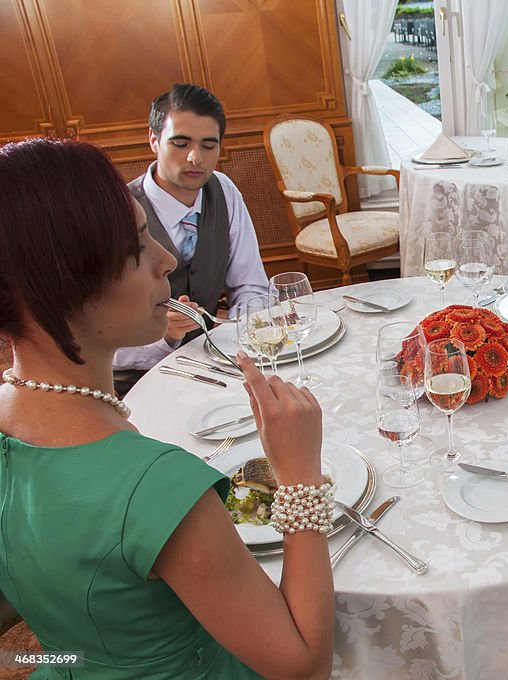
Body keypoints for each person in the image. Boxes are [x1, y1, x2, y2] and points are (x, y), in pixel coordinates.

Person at [0, 138, 333, 679]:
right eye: (137, 246)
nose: (167, 258)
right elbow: (304, 665)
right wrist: (298, 477)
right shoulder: (155, 488)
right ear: (61, 283)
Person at [114, 83, 269, 393]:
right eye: (181, 143)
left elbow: (250, 284)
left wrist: (236, 338)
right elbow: (91, 339)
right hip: (136, 381)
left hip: (211, 367)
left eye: (208, 145)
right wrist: (162, 334)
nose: (195, 158)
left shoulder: (223, 191)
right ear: (154, 140)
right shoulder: (117, 213)